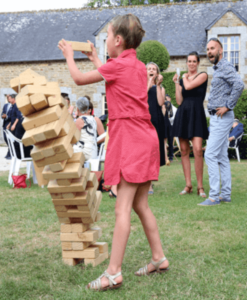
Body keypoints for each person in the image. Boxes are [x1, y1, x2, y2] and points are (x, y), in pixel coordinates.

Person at [59, 13, 169, 291]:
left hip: (130, 139)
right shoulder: (138, 66)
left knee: (122, 208)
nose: (105, 40)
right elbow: (112, 76)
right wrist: (96, 56)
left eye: (107, 36)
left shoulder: (117, 66)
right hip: (146, 137)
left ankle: (113, 273)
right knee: (140, 204)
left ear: (118, 40)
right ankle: (158, 258)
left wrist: (70, 55)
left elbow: (79, 79)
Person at [198, 38, 244, 206]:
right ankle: (225, 194)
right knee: (222, 157)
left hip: (222, 117)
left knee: (209, 154)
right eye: (208, 49)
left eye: (212, 48)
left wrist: (227, 105)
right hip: (219, 118)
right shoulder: (218, 68)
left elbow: (239, 85)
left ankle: (214, 196)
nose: (209, 51)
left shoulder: (225, 66)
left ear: (220, 50)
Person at [172, 51, 209, 198]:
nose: (192, 64)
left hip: (197, 114)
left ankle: (200, 186)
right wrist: (176, 83)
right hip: (184, 114)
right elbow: (179, 101)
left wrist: (184, 78)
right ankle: (188, 185)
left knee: (198, 149)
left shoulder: (202, 75)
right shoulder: (182, 80)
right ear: (186, 63)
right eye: (189, 61)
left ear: (198, 63)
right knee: (184, 150)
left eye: (194, 61)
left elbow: (188, 87)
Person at [146, 62, 166, 194]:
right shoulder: (141, 85)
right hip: (143, 120)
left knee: (153, 152)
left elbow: (160, 102)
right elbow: (142, 94)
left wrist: (157, 85)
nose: (152, 71)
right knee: (144, 152)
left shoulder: (161, 88)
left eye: (154, 69)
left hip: (156, 121)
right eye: (149, 69)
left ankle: (150, 184)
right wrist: (149, 81)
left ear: (158, 73)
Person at [165, 94, 177, 161]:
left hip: (171, 127)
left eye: (167, 99)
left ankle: (171, 156)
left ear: (169, 99)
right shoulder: (163, 107)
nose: (166, 100)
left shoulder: (174, 109)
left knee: (170, 141)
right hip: (165, 125)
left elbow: (173, 119)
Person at [162, 99, 173, 165]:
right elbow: (170, 115)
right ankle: (167, 158)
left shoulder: (163, 106)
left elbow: (163, 115)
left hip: (164, 124)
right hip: (166, 124)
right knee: (165, 142)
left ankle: (166, 158)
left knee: (164, 142)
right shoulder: (166, 104)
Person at [1, 95, 12, 159]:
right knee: (5, 138)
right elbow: (2, 113)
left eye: (9, 97)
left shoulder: (14, 105)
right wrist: (2, 116)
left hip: (10, 124)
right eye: (7, 98)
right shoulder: (5, 105)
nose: (8, 99)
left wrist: (7, 116)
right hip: (5, 124)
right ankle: (10, 151)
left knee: (10, 139)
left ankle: (10, 153)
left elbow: (13, 115)